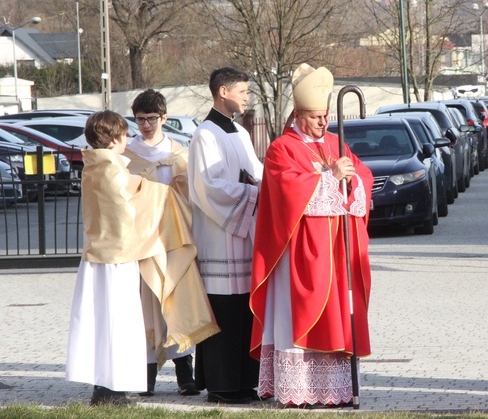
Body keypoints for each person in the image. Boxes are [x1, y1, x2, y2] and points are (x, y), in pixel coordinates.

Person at [66, 110, 219, 406]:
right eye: (124, 135)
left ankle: (106, 387)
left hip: (100, 258)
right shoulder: (110, 168)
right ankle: (111, 390)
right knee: (118, 322)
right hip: (116, 260)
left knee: (103, 322)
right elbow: (129, 205)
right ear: (114, 139)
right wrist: (166, 193)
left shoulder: (94, 165)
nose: (128, 139)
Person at [249, 63, 374, 407]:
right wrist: (329, 177)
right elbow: (289, 191)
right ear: (298, 114)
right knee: (298, 317)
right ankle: (300, 389)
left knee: (338, 316)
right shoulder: (281, 148)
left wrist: (353, 181)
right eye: (316, 117)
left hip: (336, 252)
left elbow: (362, 175)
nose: (324, 124)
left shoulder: (337, 142)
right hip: (298, 254)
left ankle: (336, 390)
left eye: (325, 117)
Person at [188, 67, 264, 404]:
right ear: (223, 91)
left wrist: (263, 187)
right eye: (242, 90)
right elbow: (207, 188)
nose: (247, 96)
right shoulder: (205, 135)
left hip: (244, 234)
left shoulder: (241, 133)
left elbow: (257, 175)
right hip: (220, 237)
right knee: (223, 310)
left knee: (243, 310)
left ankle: (244, 382)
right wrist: (250, 192)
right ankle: (221, 385)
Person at [124, 89, 197, 397]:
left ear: (164, 118)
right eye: (140, 119)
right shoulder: (128, 155)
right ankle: (147, 378)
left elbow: (192, 194)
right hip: (143, 238)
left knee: (176, 301)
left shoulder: (180, 154)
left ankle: (185, 376)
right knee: (146, 305)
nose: (146, 125)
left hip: (174, 236)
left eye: (152, 119)